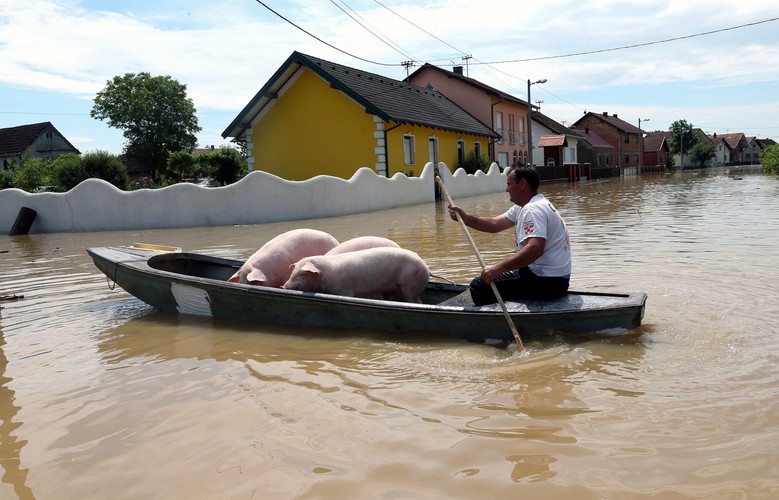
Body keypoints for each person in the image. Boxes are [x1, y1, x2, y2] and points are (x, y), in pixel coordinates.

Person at [447, 165, 571, 305]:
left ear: (522, 184)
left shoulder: (533, 209)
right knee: (496, 278)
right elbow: (494, 224)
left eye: (509, 184)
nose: (506, 189)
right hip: (555, 278)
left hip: (547, 281)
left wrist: (497, 268)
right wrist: (466, 219)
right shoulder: (526, 206)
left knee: (479, 286)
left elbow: (535, 249)